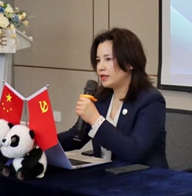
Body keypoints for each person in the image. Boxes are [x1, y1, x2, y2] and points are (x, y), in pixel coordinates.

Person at [58, 28, 168, 168]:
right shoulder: (101, 97)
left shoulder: (151, 101)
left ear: (130, 63)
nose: (100, 67)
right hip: (105, 176)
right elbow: (76, 138)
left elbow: (134, 152)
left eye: (108, 59)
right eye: (98, 60)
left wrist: (96, 120)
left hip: (144, 178)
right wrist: (40, 142)